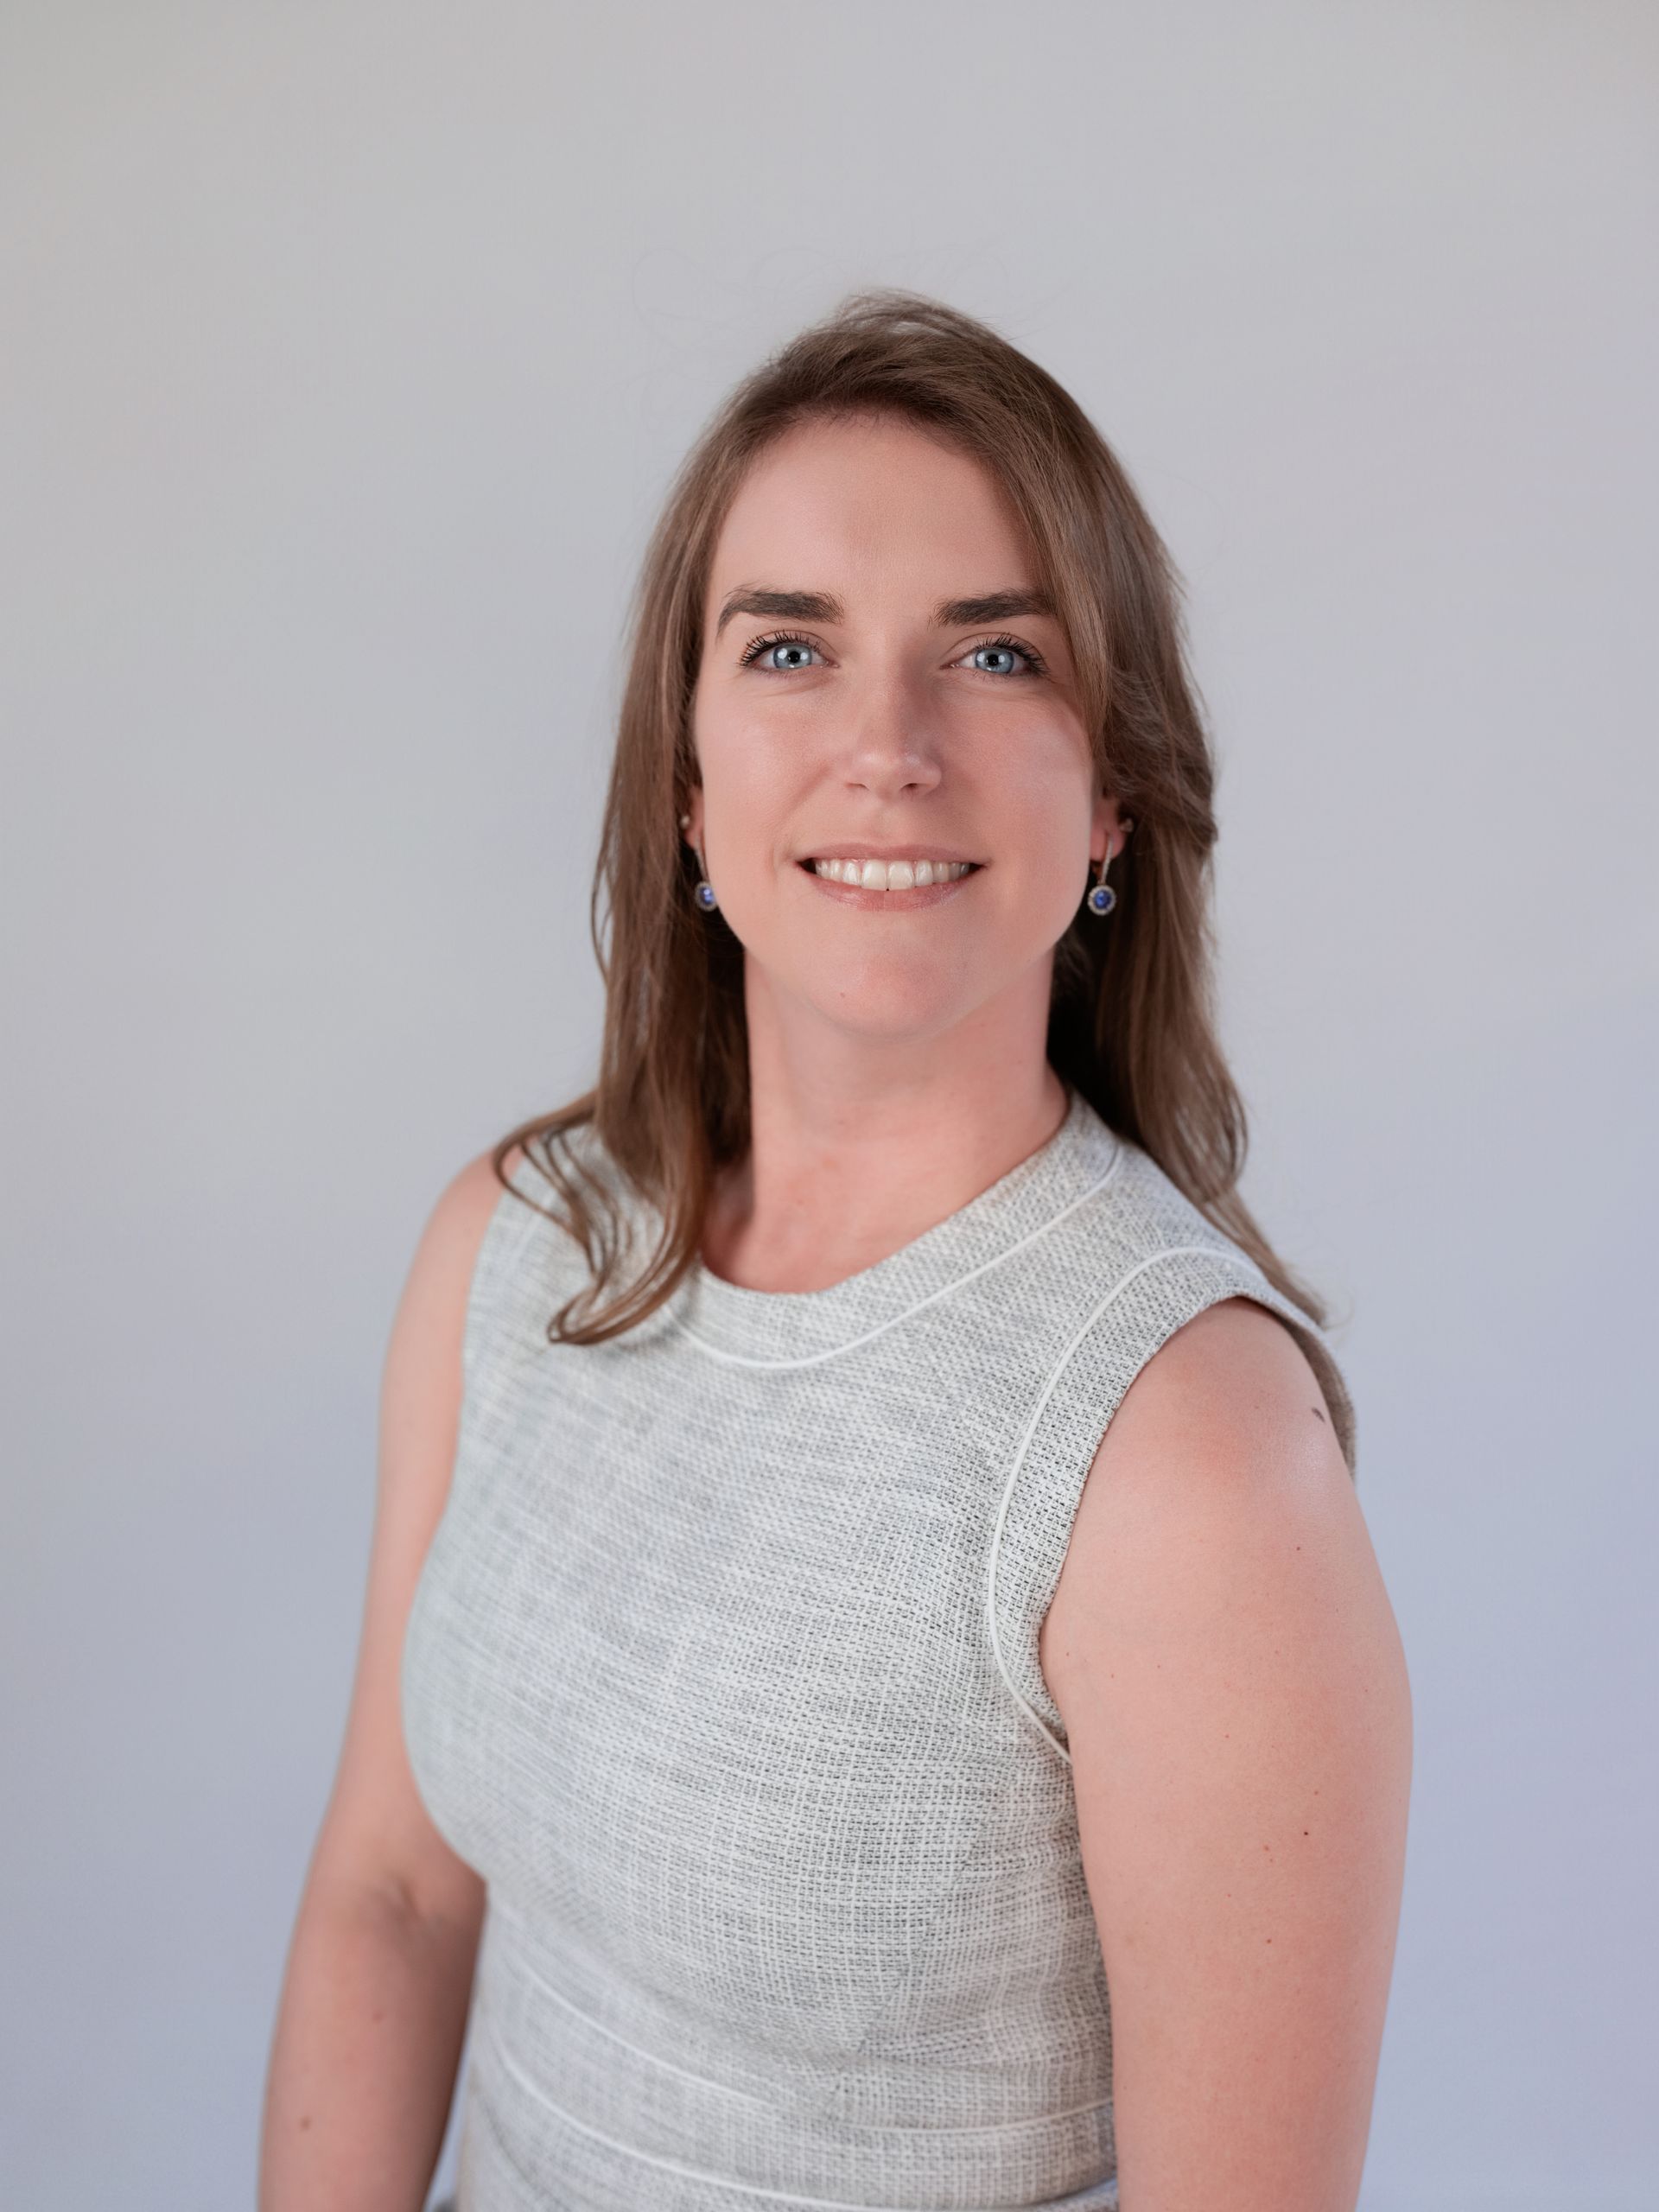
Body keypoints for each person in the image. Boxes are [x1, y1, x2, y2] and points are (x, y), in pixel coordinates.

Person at [260, 289, 1412, 2212]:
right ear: (691, 786)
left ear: (1113, 790)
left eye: (996, 655)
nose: (887, 744)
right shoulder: (516, 1241)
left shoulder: (1187, 1451)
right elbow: (389, 1892)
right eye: (789, 646)